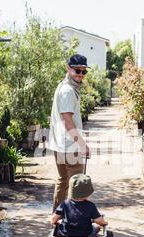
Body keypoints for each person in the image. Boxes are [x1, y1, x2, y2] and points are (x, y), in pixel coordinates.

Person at [48, 54, 91, 213]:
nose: (80, 74)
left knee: (64, 181)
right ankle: (77, 222)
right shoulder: (67, 90)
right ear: (68, 68)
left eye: (83, 71)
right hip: (69, 145)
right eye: (77, 70)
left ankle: (57, 217)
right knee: (78, 184)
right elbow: (67, 120)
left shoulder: (64, 86)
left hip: (60, 143)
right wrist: (81, 144)